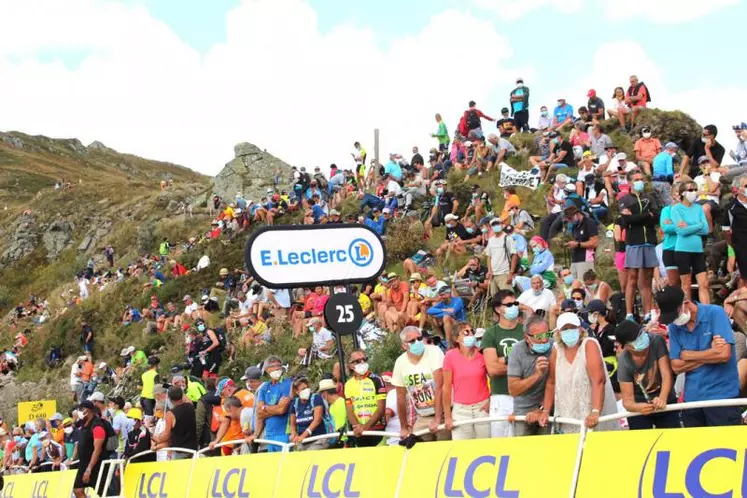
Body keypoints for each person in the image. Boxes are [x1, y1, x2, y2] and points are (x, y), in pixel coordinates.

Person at [655, 286, 742, 427]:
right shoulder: (674, 327)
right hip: (692, 400)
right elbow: (676, 367)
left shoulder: (715, 313)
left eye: (675, 314)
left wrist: (688, 355)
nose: (674, 320)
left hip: (722, 398)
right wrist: (711, 352)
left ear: (685, 302)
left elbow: (724, 354)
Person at [539, 313, 619, 433]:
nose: (569, 331)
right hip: (568, 415)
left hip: (592, 414)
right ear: (558, 332)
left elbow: (598, 381)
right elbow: (551, 382)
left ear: (580, 329)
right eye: (565, 329)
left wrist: (595, 411)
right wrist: (545, 411)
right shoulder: (556, 349)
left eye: (573, 327)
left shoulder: (589, 344)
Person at [614, 321, 680, 429]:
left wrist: (662, 398)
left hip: (666, 402)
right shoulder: (624, 361)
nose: (643, 337)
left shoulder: (656, 341)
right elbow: (627, 401)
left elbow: (666, 374)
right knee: (642, 443)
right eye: (637, 338)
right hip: (640, 409)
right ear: (627, 346)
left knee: (671, 440)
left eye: (642, 333)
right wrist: (637, 407)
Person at [391, 326, 447, 442]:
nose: (417, 342)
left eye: (419, 338)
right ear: (404, 345)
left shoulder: (434, 351)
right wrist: (403, 427)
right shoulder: (400, 362)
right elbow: (400, 397)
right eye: (412, 341)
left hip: (443, 413)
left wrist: (437, 419)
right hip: (422, 416)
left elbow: (439, 387)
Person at [480, 291, 524, 437]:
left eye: (516, 304)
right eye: (509, 304)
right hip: (501, 397)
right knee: (501, 443)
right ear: (498, 309)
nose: (514, 307)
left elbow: (536, 363)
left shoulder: (526, 330)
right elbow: (492, 369)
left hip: (526, 395)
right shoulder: (491, 334)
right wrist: (520, 365)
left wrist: (503, 360)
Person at [620, 170, 659, 321]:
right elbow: (627, 220)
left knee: (647, 279)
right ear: (630, 183)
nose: (640, 181)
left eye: (641, 179)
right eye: (637, 179)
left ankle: (648, 312)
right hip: (633, 242)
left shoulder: (649, 198)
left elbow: (656, 217)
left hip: (649, 241)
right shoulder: (625, 199)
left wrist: (637, 217)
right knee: (632, 278)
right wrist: (645, 216)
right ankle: (629, 313)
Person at [442, 323, 490, 440]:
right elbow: (446, 387)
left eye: (471, 331)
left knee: (486, 447)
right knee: (461, 449)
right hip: (461, 411)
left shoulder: (482, 354)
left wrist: (491, 401)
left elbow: (495, 378)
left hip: (482, 408)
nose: (470, 334)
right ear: (456, 338)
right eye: (466, 332)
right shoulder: (450, 356)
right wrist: (448, 416)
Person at [508, 315, 553, 436]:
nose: (544, 340)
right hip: (524, 412)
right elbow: (513, 389)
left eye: (547, 335)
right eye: (539, 337)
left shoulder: (555, 347)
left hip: (549, 409)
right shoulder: (517, 351)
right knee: (523, 451)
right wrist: (537, 375)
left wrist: (542, 409)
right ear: (527, 338)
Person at [671, 181, 710, 303]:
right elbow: (681, 231)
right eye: (690, 190)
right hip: (682, 250)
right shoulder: (676, 209)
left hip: (697, 250)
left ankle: (706, 311)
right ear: (683, 192)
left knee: (704, 284)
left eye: (695, 189)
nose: (693, 192)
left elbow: (706, 229)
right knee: (686, 284)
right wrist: (698, 225)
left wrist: (689, 226)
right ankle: (688, 313)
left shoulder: (698, 208)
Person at [344, 350, 386, 447]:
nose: (362, 362)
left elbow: (381, 409)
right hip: (359, 432)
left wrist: (365, 427)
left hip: (377, 429)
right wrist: (356, 426)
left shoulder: (377, 379)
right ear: (350, 365)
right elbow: (349, 410)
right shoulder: (348, 384)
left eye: (364, 359)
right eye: (357, 361)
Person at [254, 355, 293, 451]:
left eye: (279, 366)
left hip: (285, 433)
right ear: (267, 369)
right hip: (270, 434)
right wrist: (256, 435)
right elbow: (259, 413)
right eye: (273, 366)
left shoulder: (287, 384)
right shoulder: (264, 387)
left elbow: (282, 410)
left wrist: (265, 408)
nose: (276, 368)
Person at [73, 401, 106, 498]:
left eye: (81, 409)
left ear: (87, 410)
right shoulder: (84, 424)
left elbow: (97, 449)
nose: (79, 412)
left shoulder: (97, 426)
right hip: (83, 463)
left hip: (95, 464)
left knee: (102, 492)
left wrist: (89, 469)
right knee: (77, 490)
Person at [152, 386, 197, 459]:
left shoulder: (170, 414)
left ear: (169, 398)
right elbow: (187, 399)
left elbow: (166, 436)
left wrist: (157, 437)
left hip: (179, 450)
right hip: (193, 448)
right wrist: (177, 389)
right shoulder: (190, 406)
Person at [289, 377, 328, 451]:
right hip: (303, 442)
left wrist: (303, 436)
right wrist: (293, 433)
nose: (306, 390)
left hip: (318, 440)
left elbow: (317, 420)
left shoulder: (316, 398)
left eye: (307, 388)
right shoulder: (295, 403)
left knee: (309, 457)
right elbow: (292, 424)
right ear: (297, 391)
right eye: (303, 389)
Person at [483, 218, 518, 296]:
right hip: (493, 275)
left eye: (498, 224)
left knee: (508, 296)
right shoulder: (491, 240)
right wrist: (489, 271)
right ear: (491, 227)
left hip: (504, 273)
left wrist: (511, 273)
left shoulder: (508, 238)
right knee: (495, 297)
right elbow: (489, 257)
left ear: (502, 225)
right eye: (494, 225)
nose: (496, 226)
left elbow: (514, 255)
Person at [565, 206, 598, 281]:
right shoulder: (575, 226)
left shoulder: (589, 223)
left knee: (583, 283)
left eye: (570, 218)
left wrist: (578, 244)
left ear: (577, 214)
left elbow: (595, 242)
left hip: (585, 258)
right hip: (575, 258)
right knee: (570, 283)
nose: (570, 221)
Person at [139, 356, 159, 424]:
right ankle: (147, 433)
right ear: (156, 365)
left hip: (142, 398)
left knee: (147, 417)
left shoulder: (144, 374)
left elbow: (139, 386)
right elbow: (157, 387)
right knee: (150, 419)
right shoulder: (155, 374)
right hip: (150, 399)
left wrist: (146, 388)